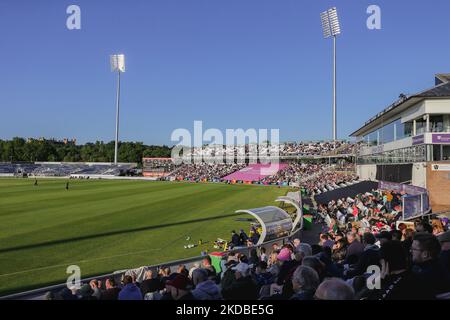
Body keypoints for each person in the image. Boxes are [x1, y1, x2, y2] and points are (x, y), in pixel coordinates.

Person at [364, 240, 435, 300]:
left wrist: (381, 281)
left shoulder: (402, 285)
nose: (380, 263)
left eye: (381, 260)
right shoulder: (415, 278)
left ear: (386, 261)